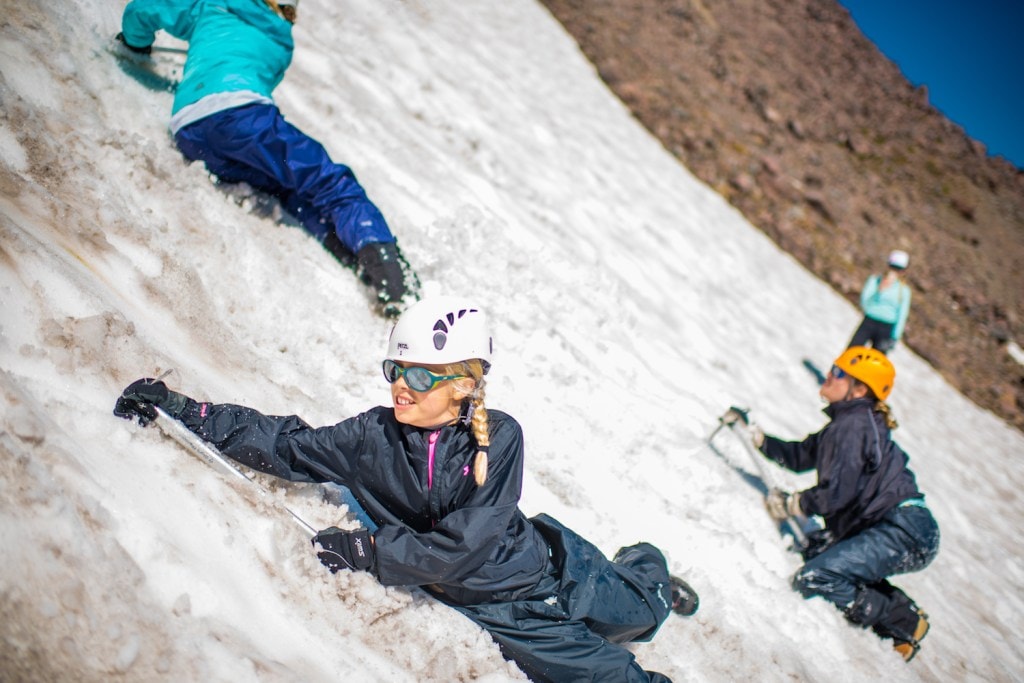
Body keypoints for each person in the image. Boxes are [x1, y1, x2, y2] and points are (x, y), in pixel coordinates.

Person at [113, 296, 698, 682]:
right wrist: (186, 411)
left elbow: (465, 542)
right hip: (507, 612)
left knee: (643, 611)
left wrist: (372, 552)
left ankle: (648, 570)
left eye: (419, 376)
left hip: (556, 570)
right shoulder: (373, 435)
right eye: (396, 370)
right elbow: (288, 445)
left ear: (464, 385)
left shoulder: (501, 438)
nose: (402, 387)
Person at [116, 0, 416, 316]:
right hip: (244, 121)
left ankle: (363, 261)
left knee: (285, 188)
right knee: (329, 182)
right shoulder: (281, 41)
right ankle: (393, 283)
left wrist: (135, 46)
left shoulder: (212, 6)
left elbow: (143, 9)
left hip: (192, 131)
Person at [724, 346, 939, 662]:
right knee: (821, 554)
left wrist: (796, 504)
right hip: (899, 526)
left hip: (902, 529)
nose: (829, 375)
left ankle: (899, 619)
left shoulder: (852, 427)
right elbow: (801, 456)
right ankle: (906, 617)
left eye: (839, 373)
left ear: (860, 388)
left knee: (817, 575)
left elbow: (836, 493)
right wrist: (760, 439)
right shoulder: (848, 424)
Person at [847, 250, 912, 353]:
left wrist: (894, 337)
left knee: (876, 361)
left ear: (903, 272)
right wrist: (879, 291)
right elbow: (864, 302)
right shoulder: (874, 281)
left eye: (898, 269)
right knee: (852, 352)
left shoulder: (904, 291)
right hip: (869, 321)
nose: (894, 272)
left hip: (887, 328)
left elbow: (902, 315)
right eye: (893, 267)